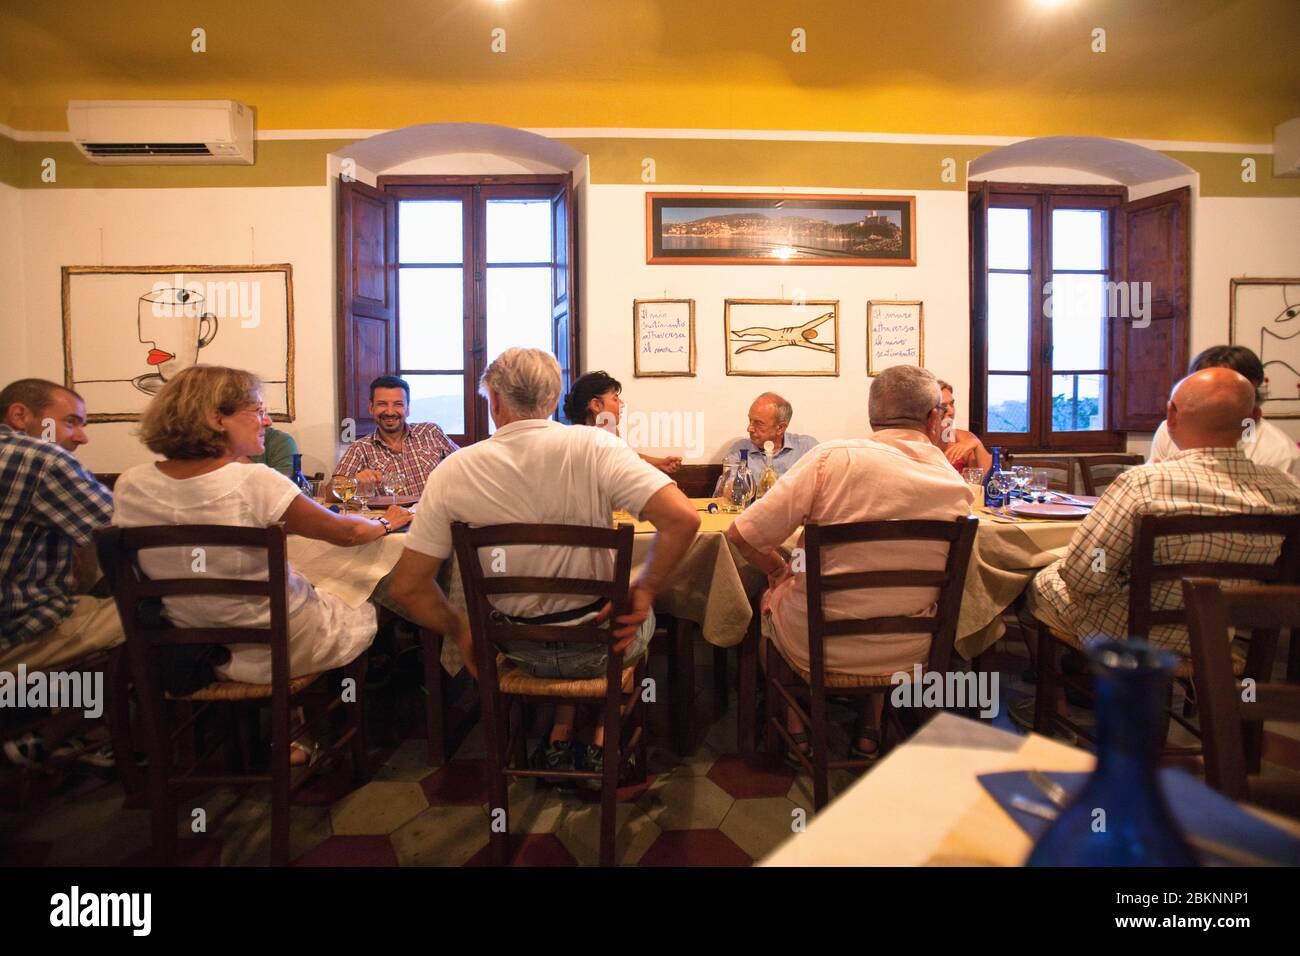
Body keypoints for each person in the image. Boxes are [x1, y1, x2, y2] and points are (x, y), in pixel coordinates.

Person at [386, 348, 699, 778]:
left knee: (569, 614)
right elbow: (683, 519)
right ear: (553, 401)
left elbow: (407, 586)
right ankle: (603, 738)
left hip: (516, 650)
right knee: (633, 614)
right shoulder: (599, 447)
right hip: (599, 647)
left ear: (493, 400)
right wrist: (643, 588)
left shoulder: (454, 470)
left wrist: (463, 631)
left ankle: (559, 732)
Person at [111, 366, 413, 762]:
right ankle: (320, 726)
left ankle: (272, 729)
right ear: (215, 418)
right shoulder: (255, 481)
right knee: (364, 598)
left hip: (190, 645)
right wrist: (386, 521)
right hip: (276, 645)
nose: (267, 420)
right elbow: (347, 534)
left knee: (308, 584)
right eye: (257, 410)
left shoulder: (130, 483)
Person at [725, 366, 974, 757]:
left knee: (769, 602)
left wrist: (777, 571)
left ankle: (796, 728)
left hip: (817, 645)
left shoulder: (832, 459)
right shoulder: (956, 485)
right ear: (932, 418)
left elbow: (740, 534)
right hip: (912, 650)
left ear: (873, 415)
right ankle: (870, 726)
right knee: (889, 603)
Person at [1028, 367, 1300, 656]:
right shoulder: (1287, 491)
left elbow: (1085, 577)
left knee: (1038, 583)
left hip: (1130, 634)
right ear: (1255, 419)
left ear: (1171, 415)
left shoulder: (1143, 484)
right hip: (1218, 636)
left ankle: (1070, 683)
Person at [1, 379, 121, 766]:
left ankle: (76, 725)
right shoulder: (41, 458)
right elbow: (130, 535)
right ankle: (54, 733)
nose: (82, 437)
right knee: (155, 617)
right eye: (71, 422)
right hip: (11, 631)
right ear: (20, 415)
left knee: (95, 594)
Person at [1146, 345, 1300, 481]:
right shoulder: (1170, 429)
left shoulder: (1280, 452)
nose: (1211, 396)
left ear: (1252, 387)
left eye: (1224, 387)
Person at [333, 375, 459, 496]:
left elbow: (466, 465)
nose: (390, 411)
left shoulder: (431, 432)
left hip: (437, 515)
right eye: (382, 404)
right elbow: (330, 492)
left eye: (398, 404)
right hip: (392, 517)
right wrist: (355, 482)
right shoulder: (360, 448)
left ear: (408, 409)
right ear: (371, 408)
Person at [561, 370, 682, 474]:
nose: (621, 403)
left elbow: (627, 456)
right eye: (615, 398)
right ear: (596, 405)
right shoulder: (592, 439)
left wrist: (660, 463)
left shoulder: (607, 432)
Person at [721, 392, 818, 479]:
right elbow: (727, 491)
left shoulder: (806, 448)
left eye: (759, 423)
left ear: (780, 428)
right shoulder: (740, 451)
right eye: (750, 420)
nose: (749, 428)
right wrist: (730, 484)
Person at [935, 379, 993, 473]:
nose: (951, 412)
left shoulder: (964, 438)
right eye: (943, 405)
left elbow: (989, 479)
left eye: (952, 404)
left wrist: (977, 444)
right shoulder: (919, 438)